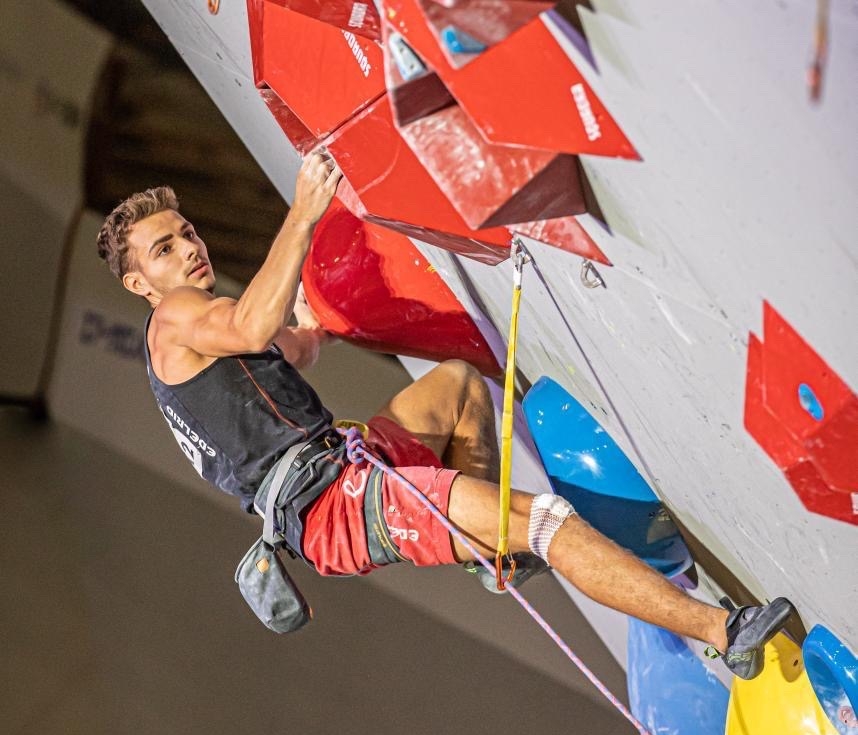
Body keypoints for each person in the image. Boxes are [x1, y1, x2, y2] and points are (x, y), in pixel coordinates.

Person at [96, 151, 793, 679]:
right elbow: (253, 326)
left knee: (458, 385)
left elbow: (288, 346)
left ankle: (490, 556)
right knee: (546, 522)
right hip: (339, 506)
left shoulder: (199, 333)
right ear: (138, 284)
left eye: (187, 232)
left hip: (346, 470)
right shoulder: (177, 318)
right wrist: (305, 212)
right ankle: (723, 632)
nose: (190, 249)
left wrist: (319, 323)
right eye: (165, 249)